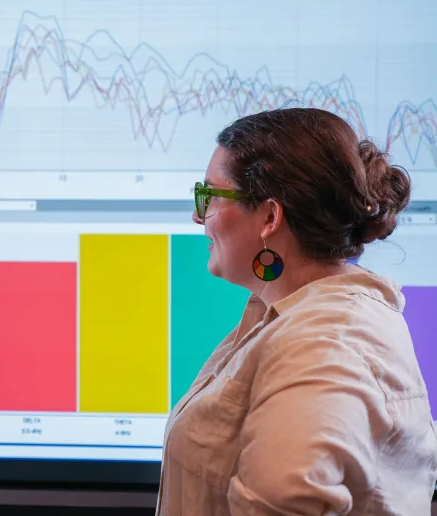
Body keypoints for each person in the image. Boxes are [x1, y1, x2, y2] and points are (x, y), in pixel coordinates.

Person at [158, 108, 437, 514]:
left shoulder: (323, 346)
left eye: (210, 196)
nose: (198, 215)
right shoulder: (293, 314)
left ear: (270, 217)